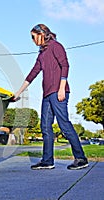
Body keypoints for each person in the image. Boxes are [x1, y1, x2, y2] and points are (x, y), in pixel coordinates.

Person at [14, 24, 88, 170]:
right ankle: (47, 161)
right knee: (45, 127)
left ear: (41, 34)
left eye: (33, 37)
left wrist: (61, 88)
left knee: (64, 125)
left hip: (58, 92)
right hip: (47, 94)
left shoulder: (56, 46)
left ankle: (81, 158)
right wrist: (18, 93)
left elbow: (65, 65)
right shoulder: (42, 54)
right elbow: (33, 73)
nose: (33, 40)